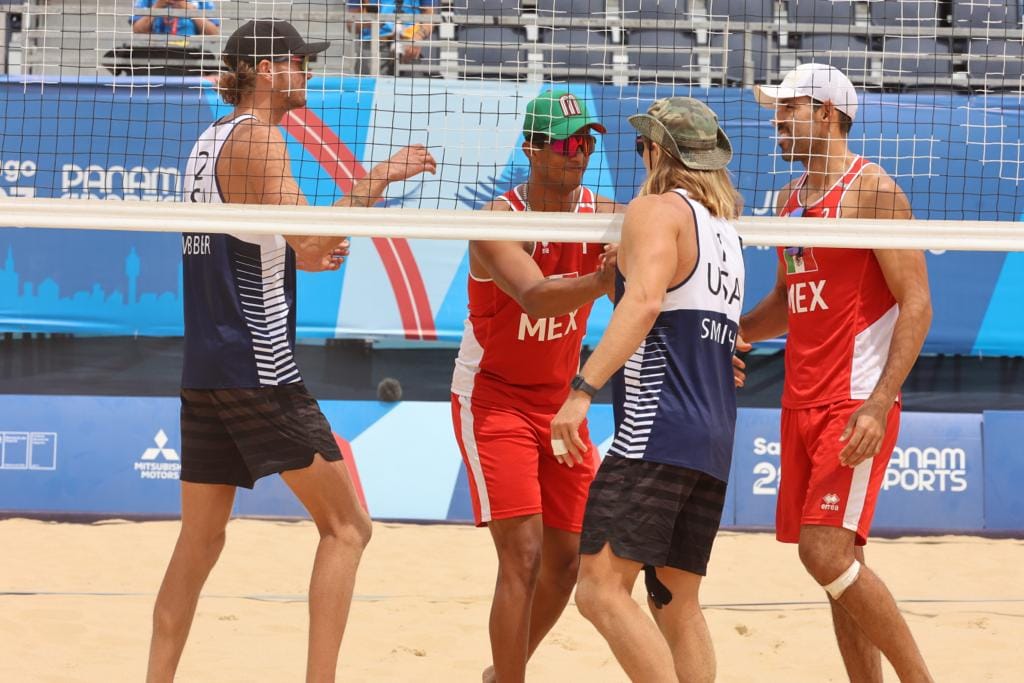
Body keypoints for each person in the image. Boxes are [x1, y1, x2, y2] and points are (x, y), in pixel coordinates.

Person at [146, 19, 436, 683]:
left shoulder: (209, 140)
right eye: (299, 61)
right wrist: (382, 176)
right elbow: (310, 236)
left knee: (199, 539)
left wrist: (298, 253)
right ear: (266, 69)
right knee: (348, 527)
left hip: (206, 368)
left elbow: (257, 240)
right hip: (258, 367)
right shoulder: (260, 137)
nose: (308, 71)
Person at [742, 62, 934, 682]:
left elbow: (917, 303)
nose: (777, 120)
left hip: (853, 400)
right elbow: (786, 300)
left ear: (827, 114)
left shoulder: (872, 190)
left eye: (789, 108)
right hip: (800, 399)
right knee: (838, 567)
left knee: (822, 553)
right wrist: (731, 334)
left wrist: (878, 403)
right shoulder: (788, 200)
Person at [550, 97, 744, 682]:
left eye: (641, 146)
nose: (639, 156)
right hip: (714, 436)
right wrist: (626, 266)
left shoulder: (655, 209)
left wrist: (582, 389)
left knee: (599, 591)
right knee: (675, 601)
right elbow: (684, 318)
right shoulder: (725, 232)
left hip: (657, 429)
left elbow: (645, 303)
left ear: (657, 150)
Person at [450, 89, 622, 682]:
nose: (580, 154)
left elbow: (670, 245)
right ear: (531, 149)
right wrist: (604, 279)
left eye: (587, 143)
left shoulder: (606, 215)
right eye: (567, 144)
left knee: (568, 561)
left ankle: (502, 673)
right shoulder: (497, 222)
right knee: (522, 554)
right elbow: (535, 296)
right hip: (492, 397)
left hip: (559, 402)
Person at [345, 0, 437, 76]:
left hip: (409, 44)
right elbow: (350, 24)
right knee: (369, 89)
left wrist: (418, 37)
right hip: (372, 45)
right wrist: (373, 22)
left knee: (410, 90)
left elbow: (430, 18)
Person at [132, 0, 220, 36]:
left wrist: (191, 12)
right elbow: (137, 30)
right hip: (156, 51)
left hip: (190, 52)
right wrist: (156, 8)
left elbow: (214, 33)